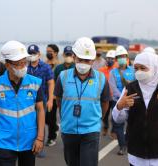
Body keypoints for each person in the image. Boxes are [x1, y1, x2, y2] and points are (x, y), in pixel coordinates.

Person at [0, 40, 45, 166]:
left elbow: (40, 110)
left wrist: (40, 138)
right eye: (19, 64)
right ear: (7, 65)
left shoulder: (35, 83)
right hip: (4, 141)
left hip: (29, 141)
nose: (23, 67)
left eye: (25, 63)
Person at [54, 37, 110, 166]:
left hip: (91, 130)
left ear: (93, 60)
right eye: (80, 59)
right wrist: (66, 116)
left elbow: (105, 102)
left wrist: (97, 118)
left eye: (87, 60)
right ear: (74, 57)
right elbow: (59, 99)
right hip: (69, 129)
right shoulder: (63, 76)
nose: (84, 63)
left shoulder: (101, 78)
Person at [27, 44, 55, 152]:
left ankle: (40, 145)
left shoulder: (45, 67)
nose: (32, 55)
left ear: (39, 54)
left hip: (42, 98)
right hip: (28, 99)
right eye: (30, 54)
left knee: (40, 122)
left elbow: (51, 83)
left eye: (34, 53)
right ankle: (29, 144)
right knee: (29, 122)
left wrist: (50, 99)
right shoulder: (25, 67)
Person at [109, 45, 135, 155]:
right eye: (119, 57)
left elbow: (136, 85)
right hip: (118, 102)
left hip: (132, 102)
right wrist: (122, 99)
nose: (121, 58)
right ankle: (122, 146)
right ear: (116, 59)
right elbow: (113, 88)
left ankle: (128, 142)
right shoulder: (113, 72)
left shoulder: (133, 70)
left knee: (132, 124)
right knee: (118, 125)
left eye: (123, 56)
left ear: (127, 57)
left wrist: (129, 99)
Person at [98, 50, 117, 136]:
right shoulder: (101, 70)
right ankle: (105, 127)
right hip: (104, 96)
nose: (109, 60)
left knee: (115, 115)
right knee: (104, 114)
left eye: (112, 58)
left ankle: (113, 130)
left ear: (115, 59)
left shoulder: (117, 70)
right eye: (108, 58)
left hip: (115, 97)